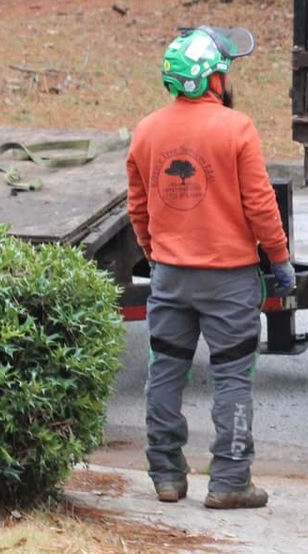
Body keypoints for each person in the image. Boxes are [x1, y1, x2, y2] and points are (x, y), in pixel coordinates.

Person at [124, 26, 294, 510]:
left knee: (165, 372)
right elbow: (260, 204)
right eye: (223, 70)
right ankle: (230, 480)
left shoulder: (146, 131)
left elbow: (139, 207)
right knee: (233, 376)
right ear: (209, 81)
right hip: (230, 278)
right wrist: (279, 259)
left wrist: (156, 253)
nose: (226, 77)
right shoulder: (237, 128)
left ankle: (166, 475)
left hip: (170, 275)